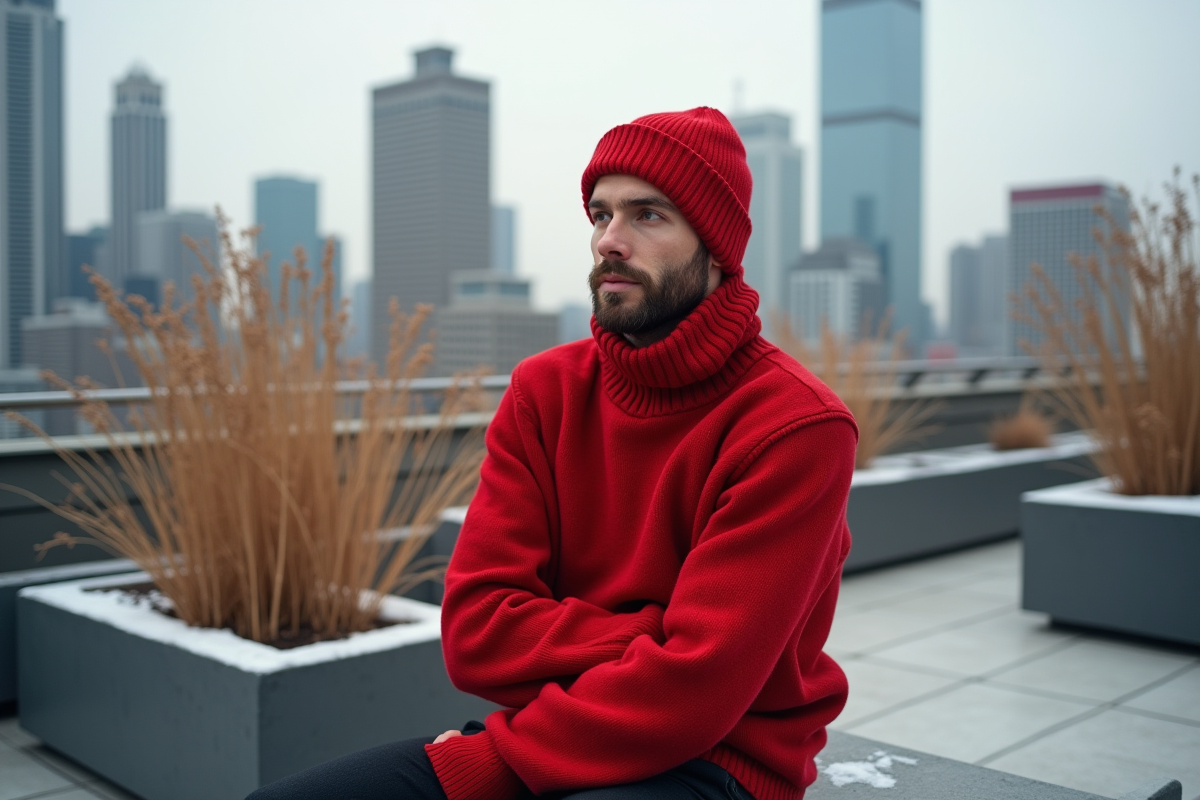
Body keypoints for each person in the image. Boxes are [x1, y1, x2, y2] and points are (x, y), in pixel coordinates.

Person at [249, 106, 856, 800]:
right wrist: (656, 638)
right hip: (559, 728)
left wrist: (493, 761)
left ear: (717, 247)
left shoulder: (796, 426)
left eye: (648, 216)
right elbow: (476, 633)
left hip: (721, 762)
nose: (609, 242)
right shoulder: (544, 392)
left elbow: (700, 689)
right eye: (600, 215)